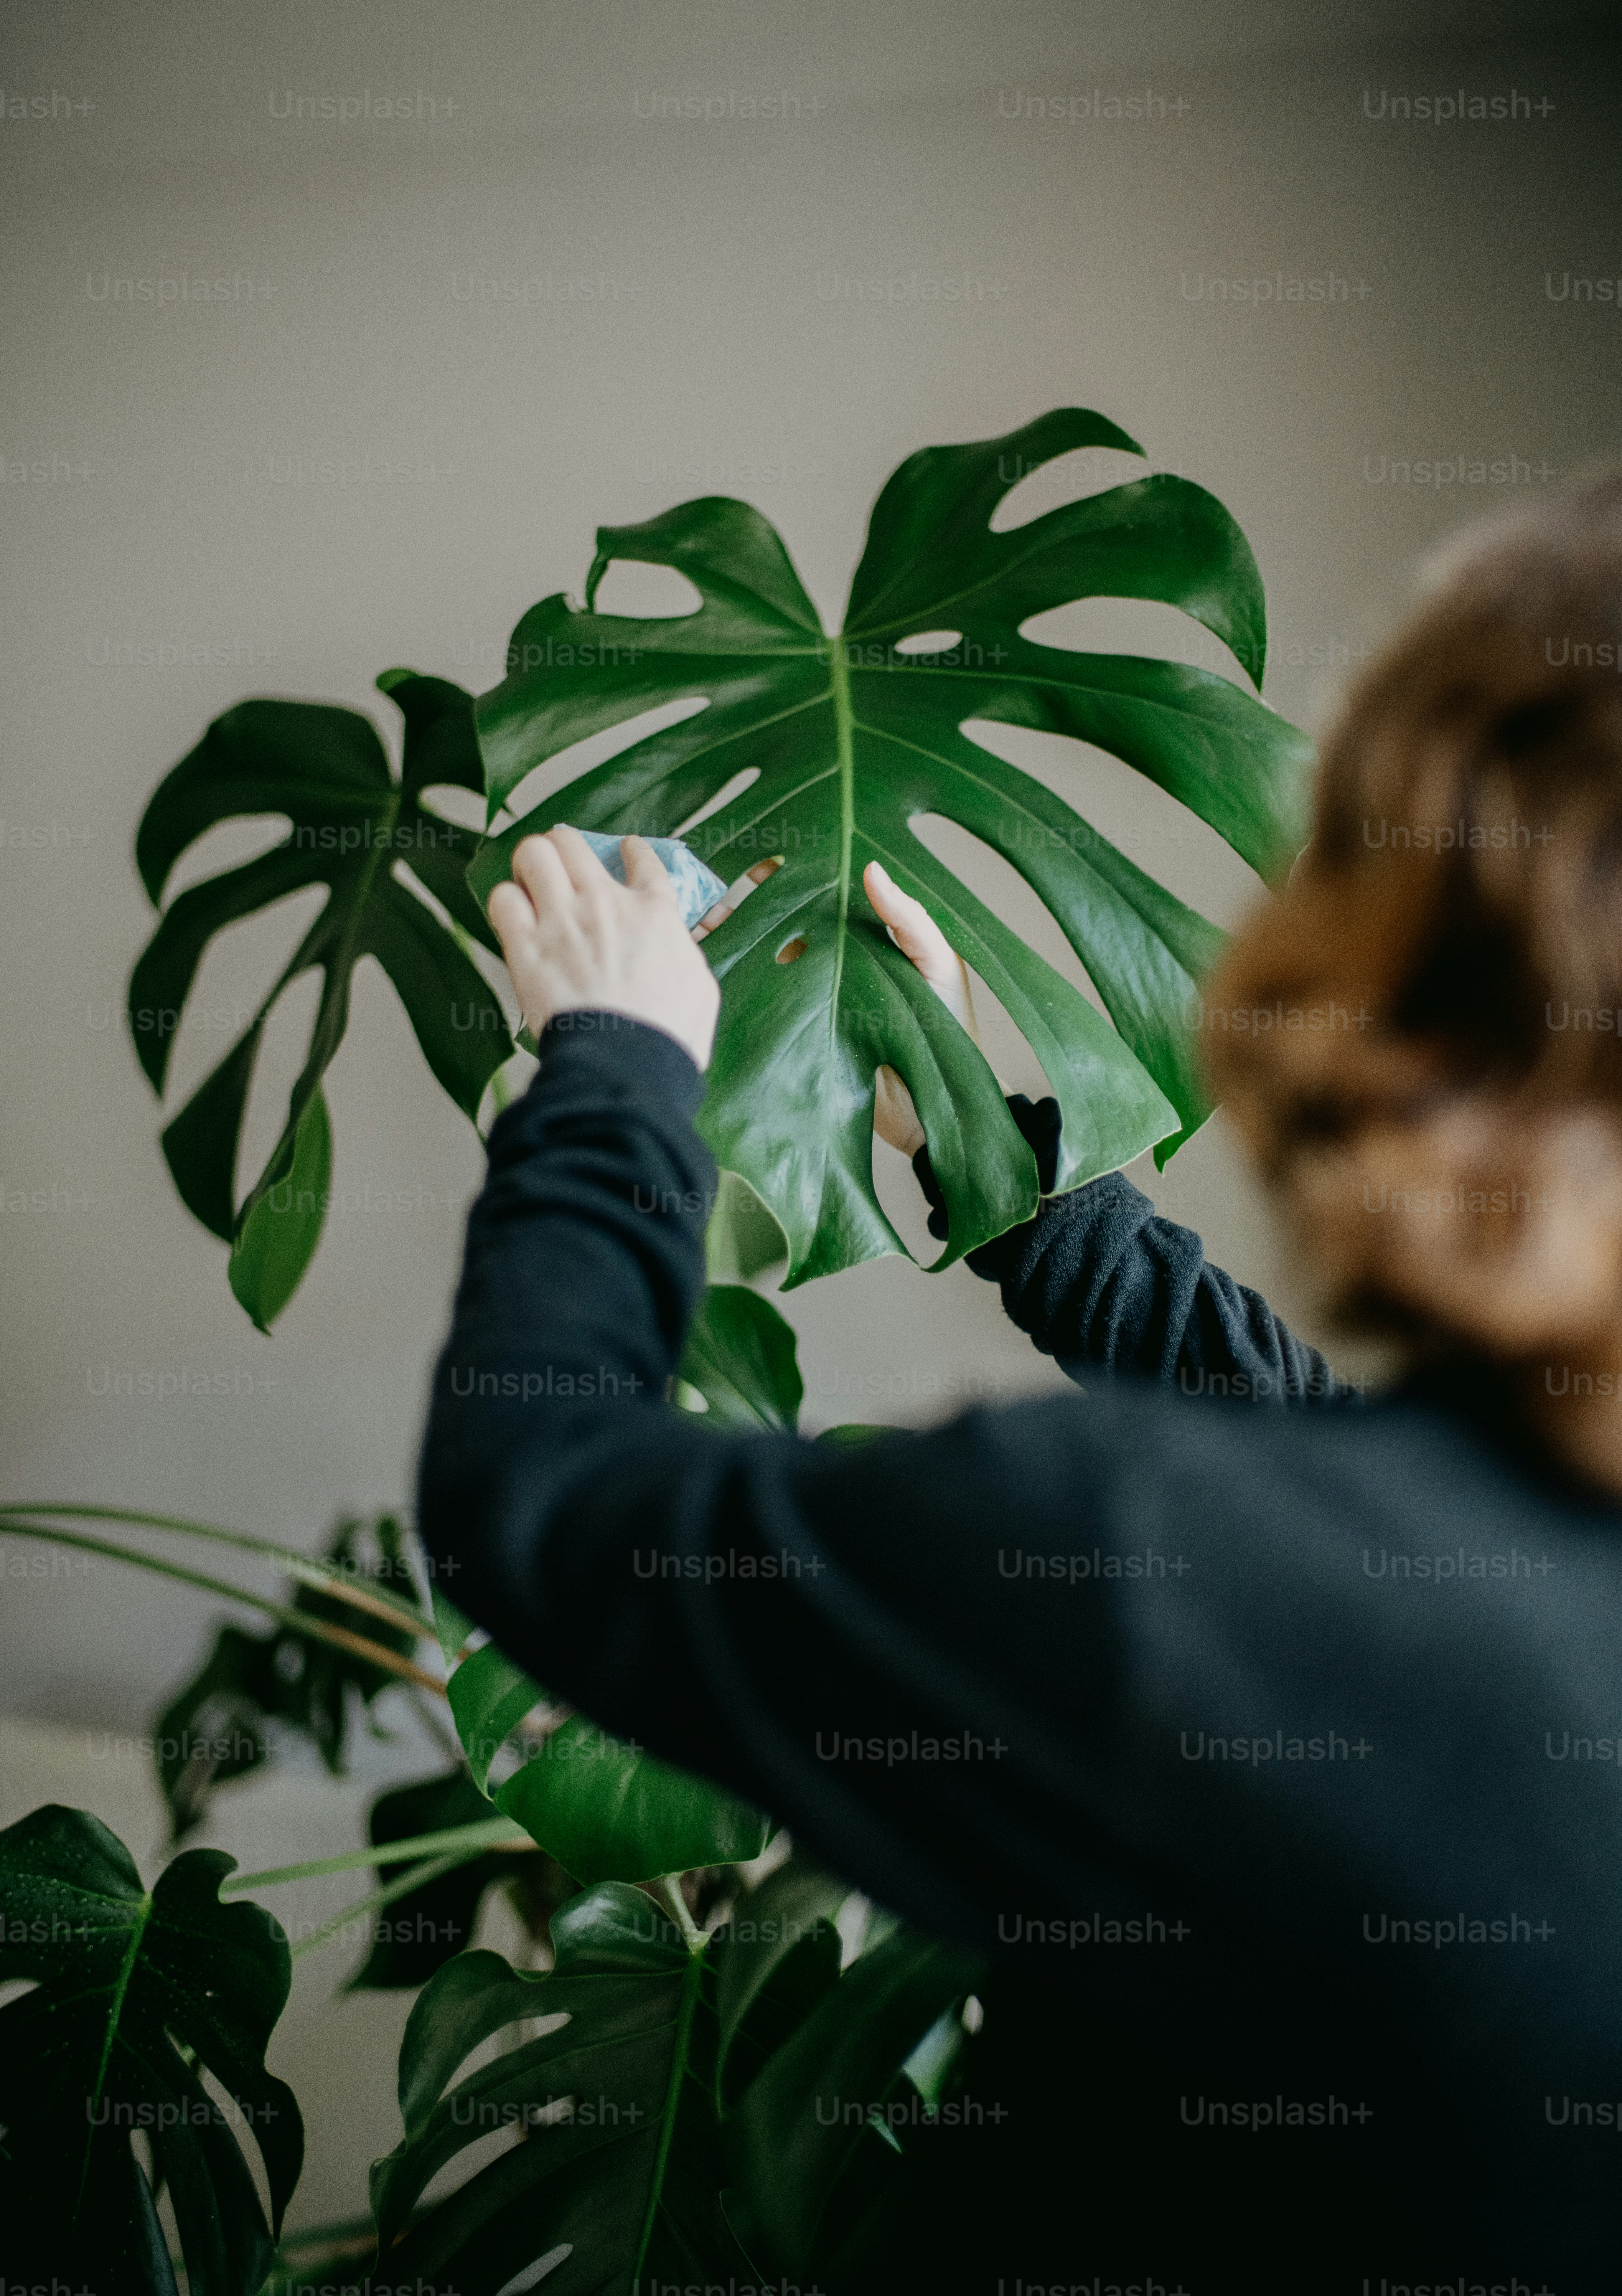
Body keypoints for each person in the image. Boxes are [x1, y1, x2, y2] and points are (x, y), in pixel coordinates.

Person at [419, 474, 1622, 2295]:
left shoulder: (1134, 1570)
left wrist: (614, 1065)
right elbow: (1340, 1481)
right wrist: (997, 1146)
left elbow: (549, 1507)